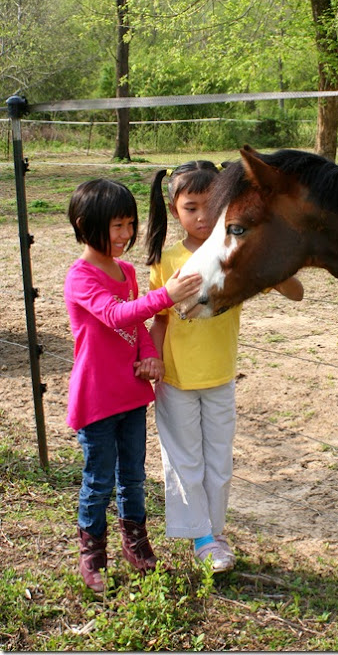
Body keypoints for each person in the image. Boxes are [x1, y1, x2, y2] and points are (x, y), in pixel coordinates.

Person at [145, 161, 304, 573]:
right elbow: (159, 318)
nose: (202, 217)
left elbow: (296, 293)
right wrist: (154, 360)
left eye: (211, 207)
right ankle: (201, 536)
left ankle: (215, 533)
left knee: (219, 461)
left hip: (220, 377)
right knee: (185, 462)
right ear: (174, 209)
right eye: (191, 208)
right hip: (176, 380)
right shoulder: (166, 260)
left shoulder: (235, 254)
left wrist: (273, 265)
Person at [64, 177, 202, 593]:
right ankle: (93, 553)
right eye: (117, 226)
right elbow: (115, 315)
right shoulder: (81, 277)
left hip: (130, 395)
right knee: (98, 480)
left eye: (130, 224)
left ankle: (136, 543)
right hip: (97, 399)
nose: (126, 235)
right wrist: (167, 295)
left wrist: (150, 354)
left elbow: (137, 325)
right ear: (85, 224)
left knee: (134, 477)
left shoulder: (125, 271)